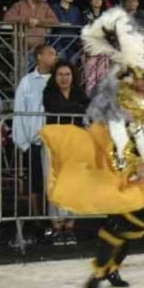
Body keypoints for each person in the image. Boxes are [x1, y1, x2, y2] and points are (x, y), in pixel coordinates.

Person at [40, 8, 144, 288]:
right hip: (123, 165)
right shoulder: (120, 99)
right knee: (118, 220)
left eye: (143, 76)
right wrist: (134, 162)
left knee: (135, 225)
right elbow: (117, 132)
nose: (138, 82)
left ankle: (112, 268)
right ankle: (100, 270)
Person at [41, 60, 89, 246]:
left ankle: (70, 225)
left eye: (67, 74)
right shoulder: (49, 92)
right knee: (53, 182)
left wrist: (75, 109)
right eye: (60, 74)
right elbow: (55, 109)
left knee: (73, 183)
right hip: (54, 142)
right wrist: (75, 109)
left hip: (74, 142)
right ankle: (56, 224)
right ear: (55, 76)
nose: (64, 78)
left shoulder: (78, 92)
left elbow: (87, 107)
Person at [12, 43, 58, 228]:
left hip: (55, 138)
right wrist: (22, 140)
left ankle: (54, 216)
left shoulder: (59, 79)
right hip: (34, 138)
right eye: (50, 53)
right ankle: (36, 217)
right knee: (35, 180)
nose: (54, 57)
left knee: (54, 180)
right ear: (39, 56)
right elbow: (19, 110)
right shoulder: (27, 81)